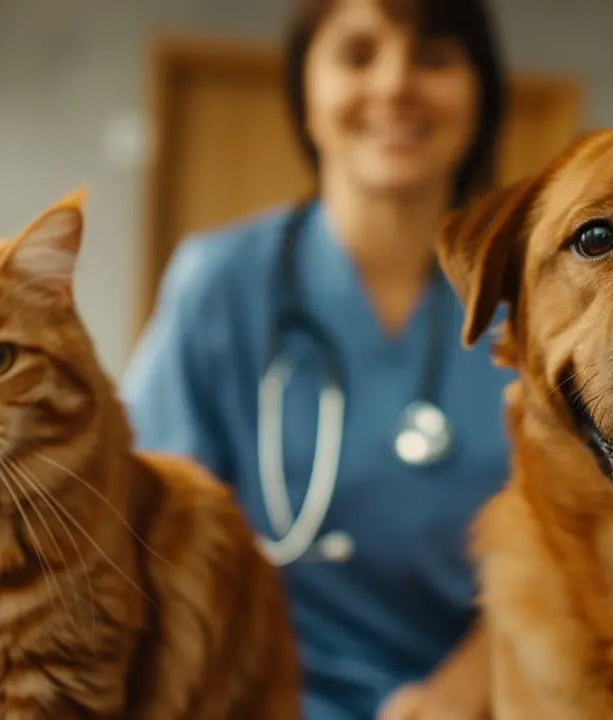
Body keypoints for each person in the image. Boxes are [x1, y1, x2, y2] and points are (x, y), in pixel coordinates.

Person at [121, 0, 512, 717]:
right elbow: (140, 526)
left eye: (434, 57)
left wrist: (463, 692)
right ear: (305, 87)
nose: (395, 85)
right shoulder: (222, 284)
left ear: (482, 92)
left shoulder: (536, 306)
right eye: (358, 55)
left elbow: (585, 545)